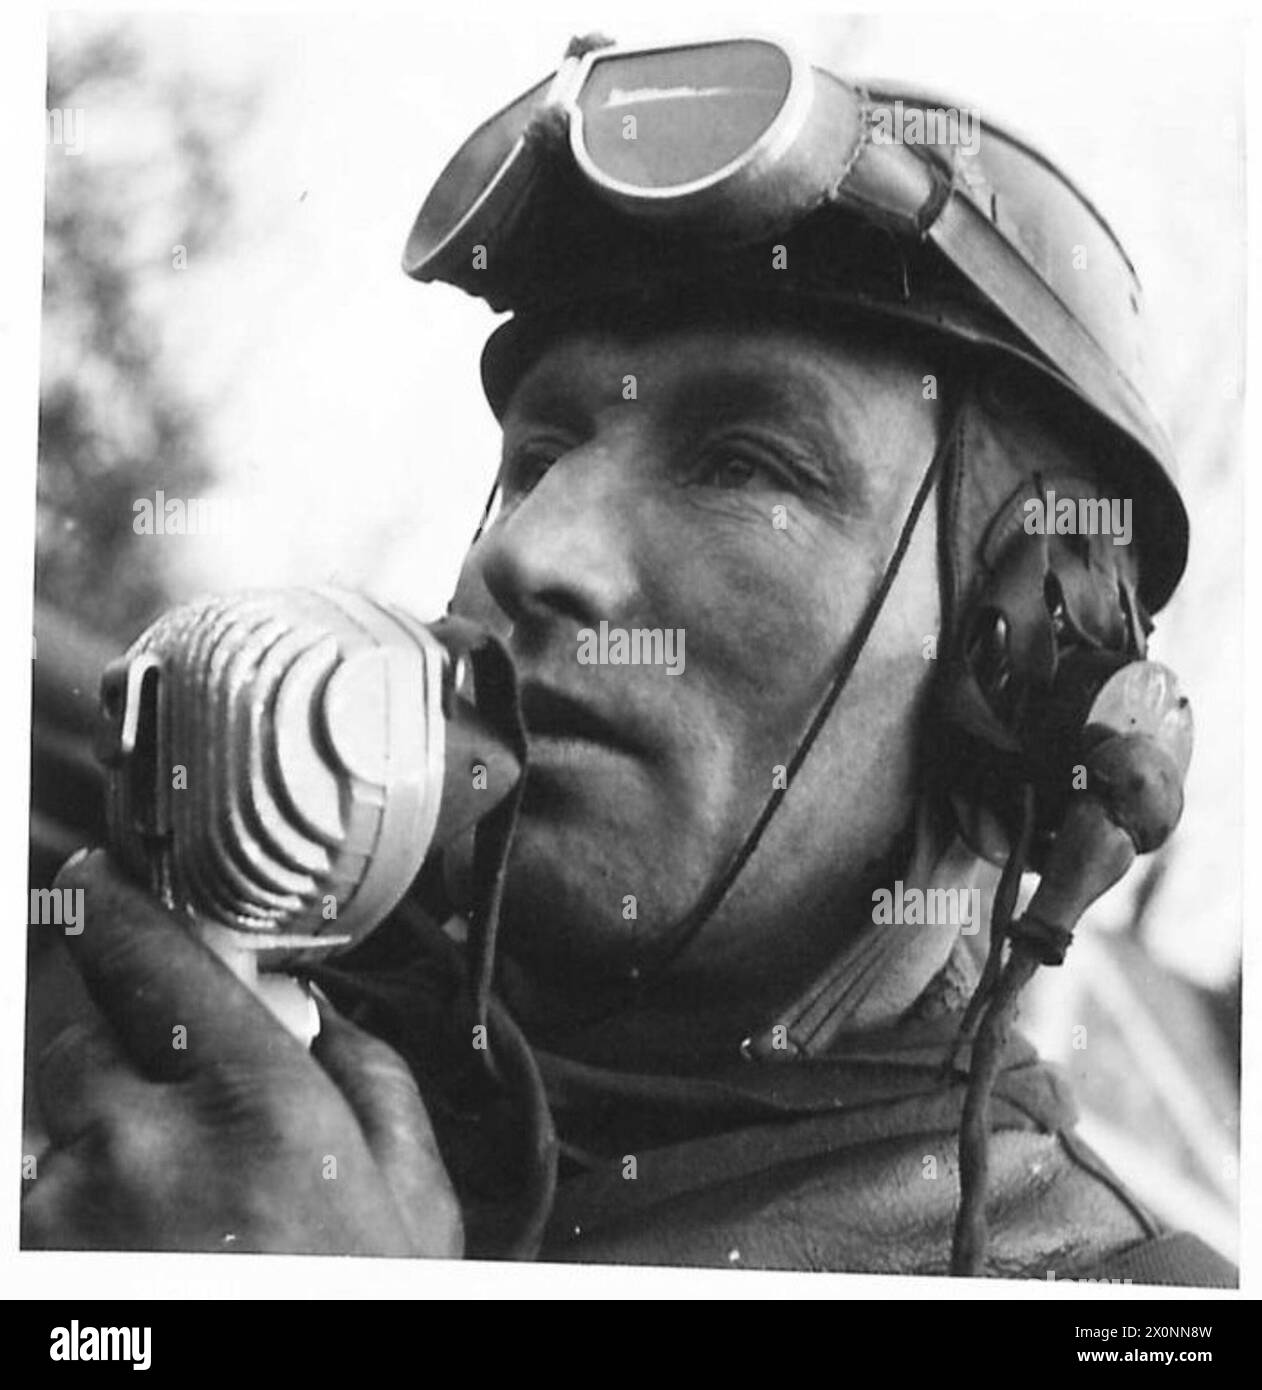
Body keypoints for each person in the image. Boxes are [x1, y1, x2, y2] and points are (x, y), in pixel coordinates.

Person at [23, 34, 1236, 1285]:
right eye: (537, 460)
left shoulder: (1104, 1290)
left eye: (744, 465)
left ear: (1025, 683)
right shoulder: (197, 1018)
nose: (529, 551)